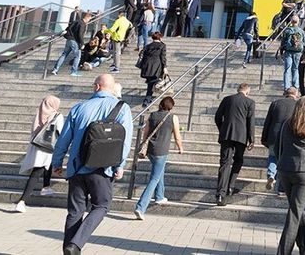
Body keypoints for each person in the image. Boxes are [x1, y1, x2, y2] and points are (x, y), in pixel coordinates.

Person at [52, 74, 133, 255]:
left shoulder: (79, 107)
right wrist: (120, 165)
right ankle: (76, 245)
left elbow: (63, 140)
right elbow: (125, 141)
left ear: (96, 87)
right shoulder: (122, 108)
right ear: (111, 88)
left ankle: (69, 249)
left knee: (75, 212)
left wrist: (57, 162)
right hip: (103, 168)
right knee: (102, 206)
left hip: (77, 167)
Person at [275, 96, 305, 255]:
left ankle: (303, 248)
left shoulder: (286, 124)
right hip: (304, 172)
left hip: (285, 170)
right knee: (295, 214)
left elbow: (277, 147)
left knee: (297, 210)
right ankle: (283, 252)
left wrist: (281, 164)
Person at [134, 96, 184, 219]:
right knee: (154, 178)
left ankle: (160, 196)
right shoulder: (173, 117)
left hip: (150, 150)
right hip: (161, 151)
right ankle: (140, 207)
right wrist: (180, 148)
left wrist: (143, 145)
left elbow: (145, 133)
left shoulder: (151, 115)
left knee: (159, 171)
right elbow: (177, 136)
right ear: (171, 106)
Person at [15, 95, 65, 212]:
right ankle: (22, 201)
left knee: (46, 165)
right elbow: (61, 132)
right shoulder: (57, 116)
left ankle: (46, 187)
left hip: (36, 146)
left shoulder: (38, 115)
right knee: (36, 172)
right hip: (47, 147)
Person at [214, 83, 255, 206]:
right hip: (241, 137)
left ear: (238, 90)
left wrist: (222, 129)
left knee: (225, 163)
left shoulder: (227, 99)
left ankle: (220, 194)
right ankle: (230, 186)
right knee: (238, 160)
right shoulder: (250, 102)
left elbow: (217, 116)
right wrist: (251, 139)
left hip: (226, 135)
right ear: (247, 92)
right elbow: (250, 122)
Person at [261, 88, 299, 191]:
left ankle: (271, 174)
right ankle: (280, 187)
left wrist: (264, 138)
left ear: (285, 94)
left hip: (274, 136)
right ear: (296, 95)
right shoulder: (298, 105)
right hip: (289, 137)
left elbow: (268, 122)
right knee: (284, 160)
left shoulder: (275, 103)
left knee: (273, 157)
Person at [52, 11, 92, 77]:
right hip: (75, 41)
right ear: (88, 17)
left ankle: (55, 70)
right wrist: (82, 44)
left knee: (64, 55)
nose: (89, 21)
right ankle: (73, 71)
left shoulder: (76, 21)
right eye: (89, 19)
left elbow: (68, 28)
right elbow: (80, 35)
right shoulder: (82, 24)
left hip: (69, 40)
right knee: (77, 56)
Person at [139, 32, 167, 107]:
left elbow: (142, 54)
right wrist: (165, 67)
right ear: (160, 37)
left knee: (151, 82)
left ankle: (149, 98)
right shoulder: (162, 46)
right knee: (152, 82)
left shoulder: (148, 46)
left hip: (147, 66)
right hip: (156, 66)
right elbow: (163, 57)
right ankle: (147, 99)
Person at [281, 16, 305, 91]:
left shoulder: (287, 30)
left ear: (291, 21)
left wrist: (281, 52)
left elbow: (283, 42)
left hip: (288, 51)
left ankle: (286, 87)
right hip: (298, 52)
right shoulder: (301, 31)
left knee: (287, 69)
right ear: (298, 22)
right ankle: (296, 86)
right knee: (295, 69)